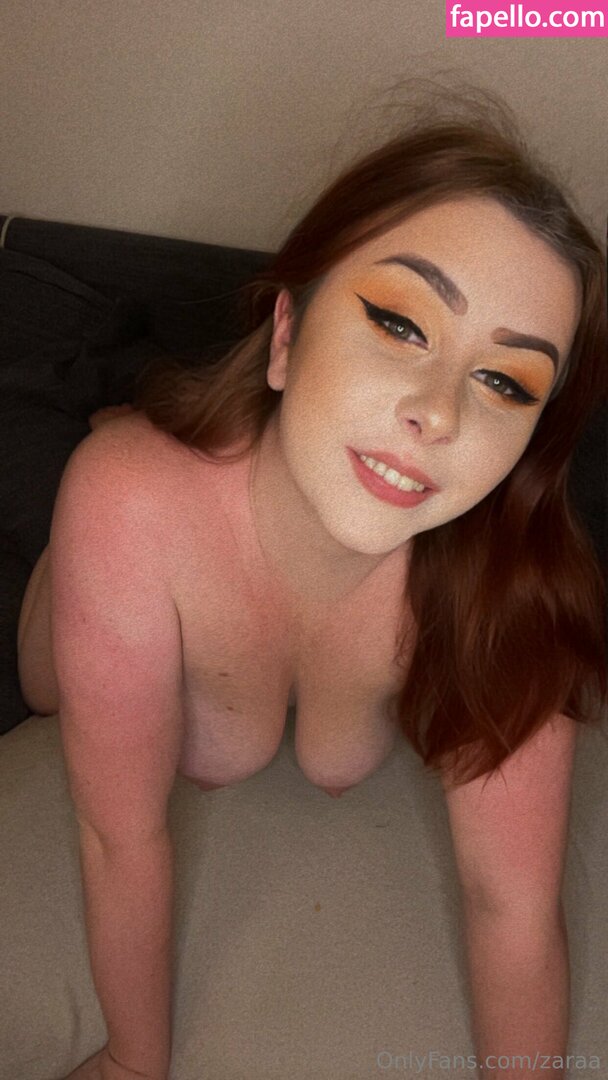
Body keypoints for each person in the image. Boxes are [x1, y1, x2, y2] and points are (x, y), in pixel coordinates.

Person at [16, 95, 607, 1080]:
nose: (437, 414)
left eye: (504, 382)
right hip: (139, 514)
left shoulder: (511, 591)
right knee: (66, 669)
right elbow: (117, 833)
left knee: (326, 749)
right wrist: (132, 1063)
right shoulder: (131, 505)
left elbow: (512, 905)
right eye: (399, 323)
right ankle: (116, 434)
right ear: (285, 332)